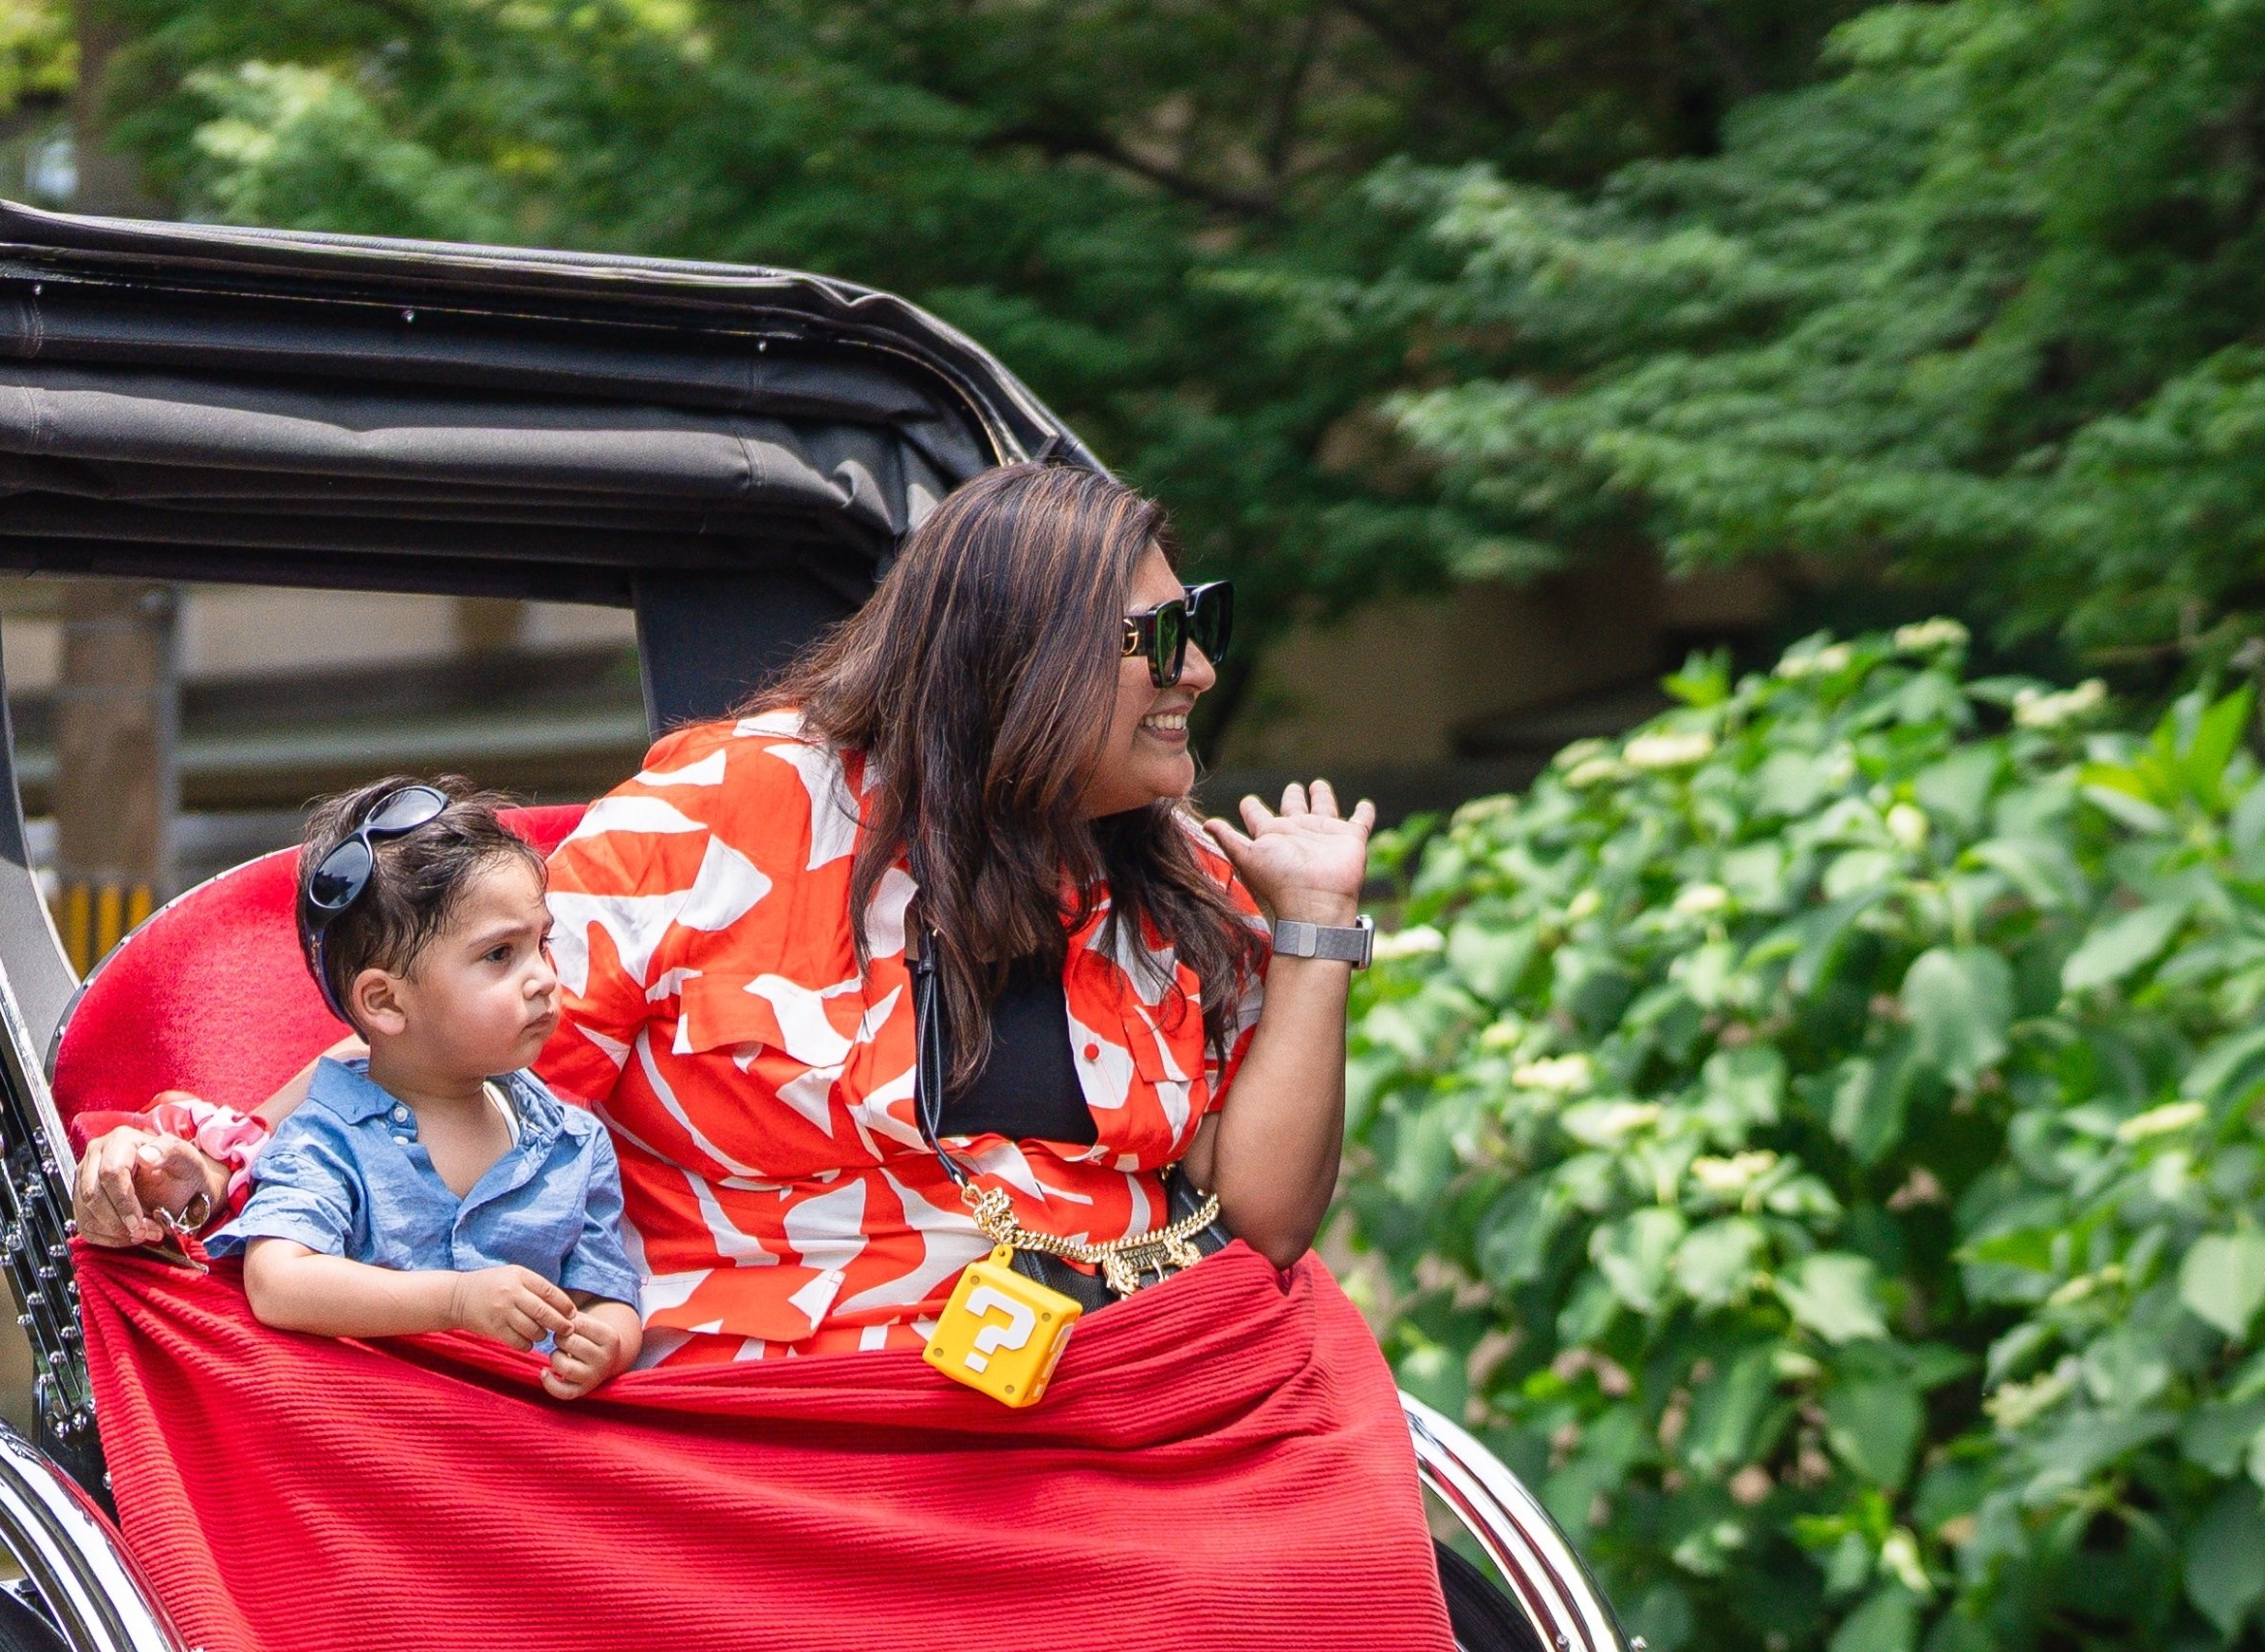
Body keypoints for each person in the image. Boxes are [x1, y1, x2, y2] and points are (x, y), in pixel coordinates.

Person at [76, 461, 1388, 1375]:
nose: (1197, 670)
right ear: (1017, 662)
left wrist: (1318, 926)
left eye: (1198, 627)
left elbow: (1268, 1221)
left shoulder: (1172, 878)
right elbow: (432, 1069)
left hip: (1126, 1387)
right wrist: (209, 1165)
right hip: (780, 1427)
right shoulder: (723, 820)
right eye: (1155, 639)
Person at [205, 775, 649, 1401]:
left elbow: (605, 1293)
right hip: (385, 1438)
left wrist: (607, 1343)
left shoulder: (574, 1142)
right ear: (385, 1002)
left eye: (541, 944)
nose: (544, 979)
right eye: (499, 955)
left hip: (528, 1440)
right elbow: (277, 1282)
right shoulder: (325, 1140)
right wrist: (457, 1300)